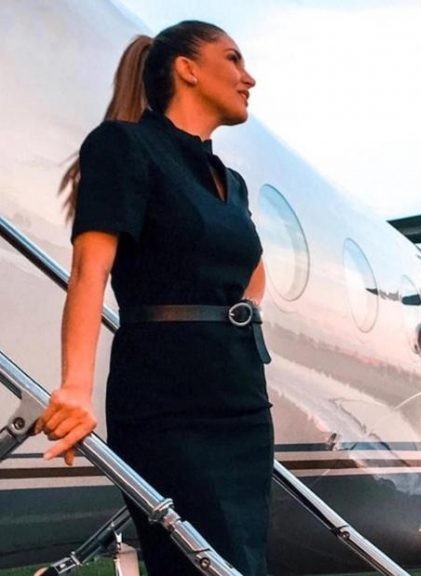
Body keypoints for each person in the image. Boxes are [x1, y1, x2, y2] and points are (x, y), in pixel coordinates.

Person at [35, 20, 273, 575]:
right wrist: (75, 386)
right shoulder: (123, 145)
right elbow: (89, 270)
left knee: (246, 561)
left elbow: (252, 272)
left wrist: (236, 318)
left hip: (241, 396)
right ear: (187, 69)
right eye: (233, 59)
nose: (249, 78)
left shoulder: (230, 181)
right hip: (166, 396)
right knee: (198, 564)